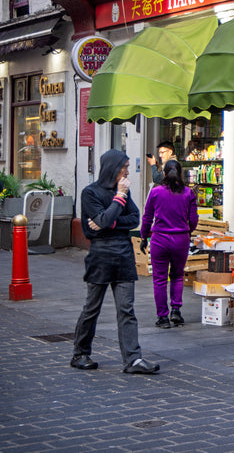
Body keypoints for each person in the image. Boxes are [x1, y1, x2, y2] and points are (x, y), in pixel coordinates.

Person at [71, 149, 159, 374]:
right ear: (112, 168)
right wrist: (116, 202)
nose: (127, 171)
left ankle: (133, 360)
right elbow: (99, 221)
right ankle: (80, 353)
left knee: (126, 310)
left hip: (123, 256)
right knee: (92, 308)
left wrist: (108, 223)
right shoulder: (90, 193)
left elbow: (133, 219)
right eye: (124, 167)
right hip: (100, 257)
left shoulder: (124, 191)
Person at [140, 160, 198, 329]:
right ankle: (176, 310)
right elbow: (193, 219)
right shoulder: (188, 193)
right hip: (181, 239)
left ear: (164, 173)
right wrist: (188, 231)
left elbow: (147, 217)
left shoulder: (156, 192)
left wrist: (144, 236)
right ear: (180, 174)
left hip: (159, 239)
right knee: (178, 275)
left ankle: (163, 317)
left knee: (159, 279)